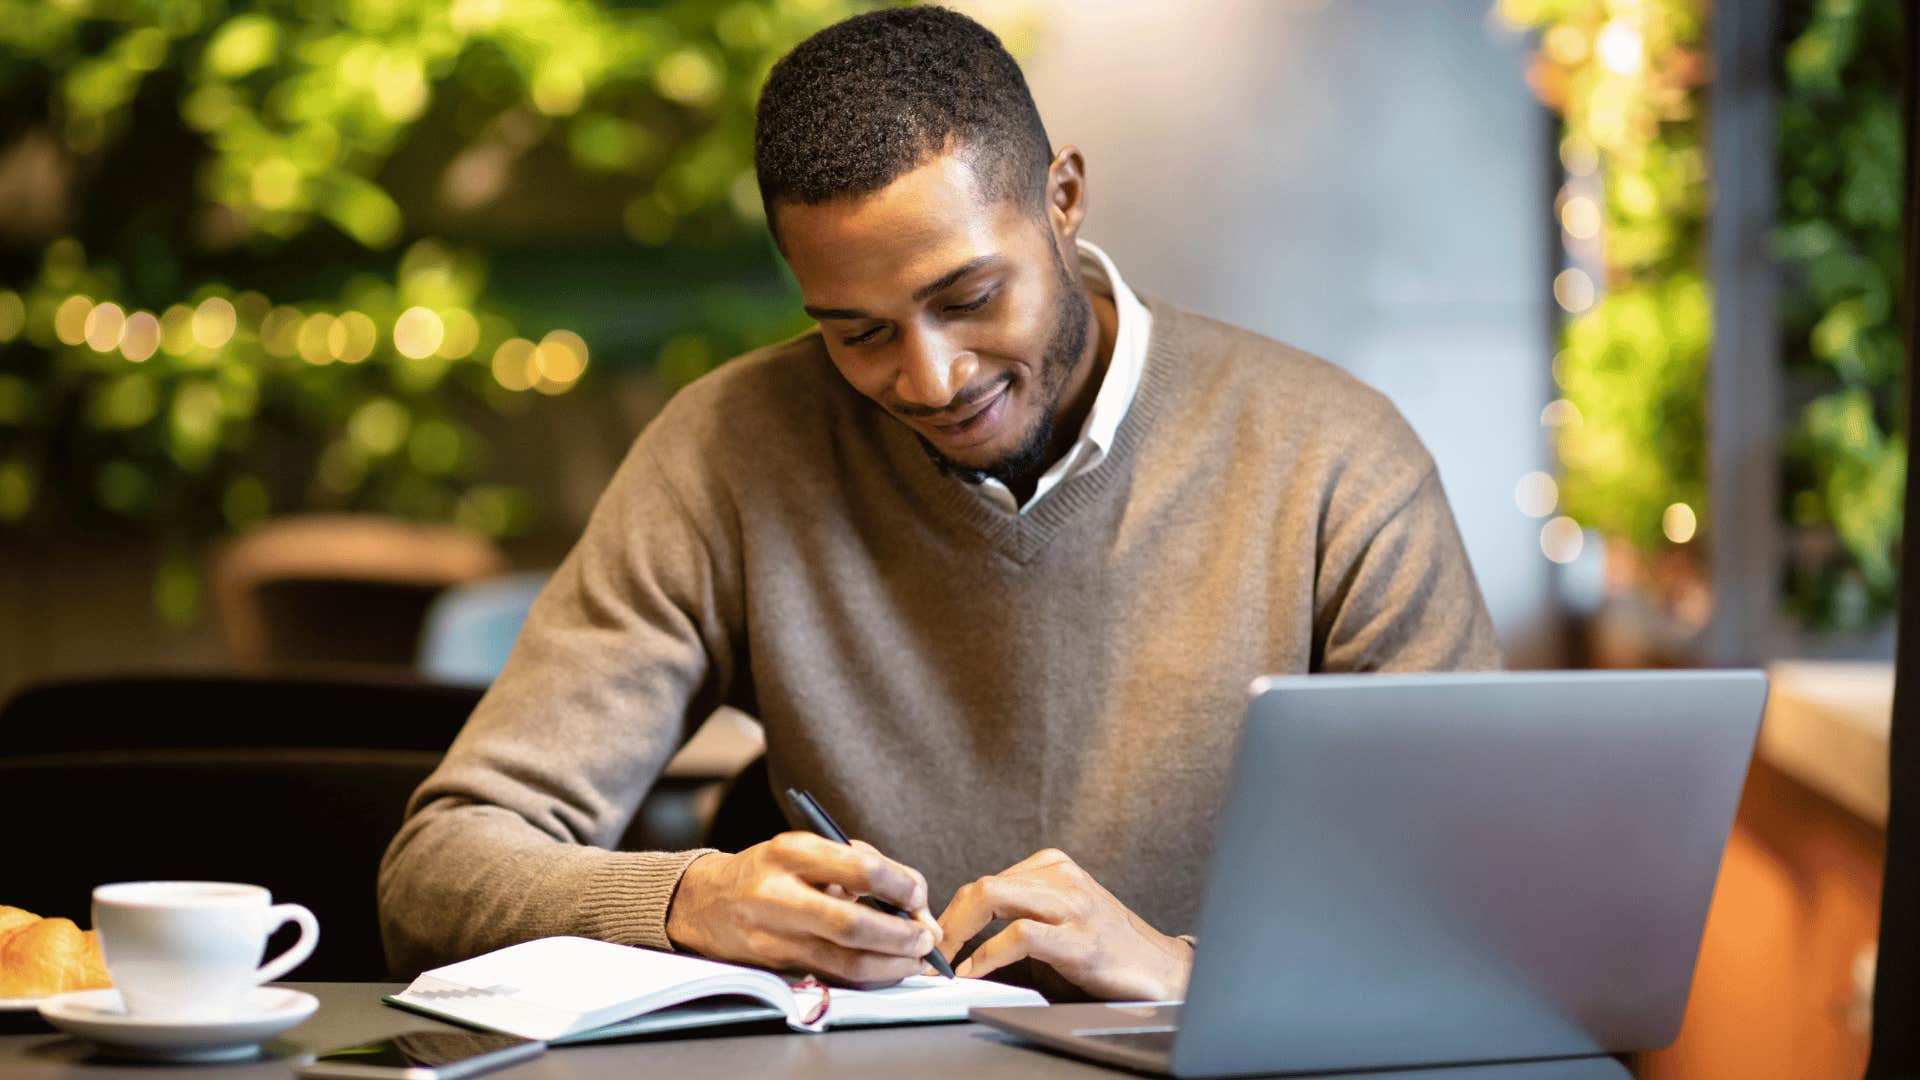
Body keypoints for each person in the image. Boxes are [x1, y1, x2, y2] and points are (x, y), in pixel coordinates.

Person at [379, 5, 1501, 1002]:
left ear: (1064, 197)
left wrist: (1180, 972)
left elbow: (1486, 905)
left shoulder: (1335, 457)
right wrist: (692, 902)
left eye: (968, 297)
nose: (930, 378)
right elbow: (437, 873)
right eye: (856, 331)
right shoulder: (727, 451)